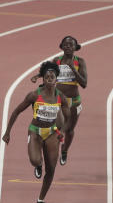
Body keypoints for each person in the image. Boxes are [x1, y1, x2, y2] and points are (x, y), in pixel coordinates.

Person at [3, 61, 68, 203]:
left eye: (53, 76)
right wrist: (7, 132)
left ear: (56, 79)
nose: (50, 78)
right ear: (43, 79)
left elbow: (67, 115)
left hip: (51, 132)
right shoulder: (34, 95)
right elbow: (16, 111)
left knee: (51, 169)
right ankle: (38, 165)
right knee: (35, 160)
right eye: (47, 76)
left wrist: (62, 130)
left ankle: (41, 200)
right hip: (35, 131)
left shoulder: (61, 97)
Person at [36, 35, 88, 165]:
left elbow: (84, 83)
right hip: (58, 101)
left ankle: (64, 151)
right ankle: (49, 153)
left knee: (69, 130)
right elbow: (48, 75)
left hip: (74, 102)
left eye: (71, 45)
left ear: (76, 47)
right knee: (54, 128)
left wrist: (72, 69)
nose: (68, 47)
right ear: (61, 47)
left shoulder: (80, 62)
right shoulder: (56, 61)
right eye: (66, 44)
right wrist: (37, 77)